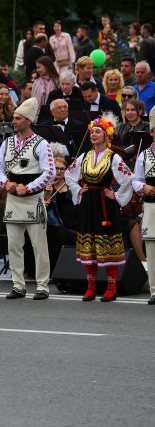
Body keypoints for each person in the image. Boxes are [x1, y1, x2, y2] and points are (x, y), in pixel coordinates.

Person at [64, 115, 133, 302]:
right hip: (88, 203)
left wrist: (117, 196)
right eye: (92, 131)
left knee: (108, 245)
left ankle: (111, 287)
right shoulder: (85, 156)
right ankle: (91, 287)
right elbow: (69, 174)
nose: (93, 134)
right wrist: (79, 190)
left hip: (105, 204)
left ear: (106, 135)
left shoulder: (113, 156)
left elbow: (129, 178)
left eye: (98, 132)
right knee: (90, 245)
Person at [0, 98, 55, 300]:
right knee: (14, 245)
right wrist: (5, 183)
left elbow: (49, 172)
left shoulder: (41, 143)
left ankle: (42, 285)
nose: (13, 121)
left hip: (32, 199)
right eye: (13, 118)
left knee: (39, 245)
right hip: (13, 197)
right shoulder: (7, 142)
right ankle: (18, 285)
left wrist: (28, 188)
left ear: (28, 121)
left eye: (17, 118)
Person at [131, 106, 155, 305]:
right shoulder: (144, 155)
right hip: (151, 206)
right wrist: (144, 187)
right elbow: (135, 180)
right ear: (152, 132)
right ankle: (154, 291)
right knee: (152, 247)